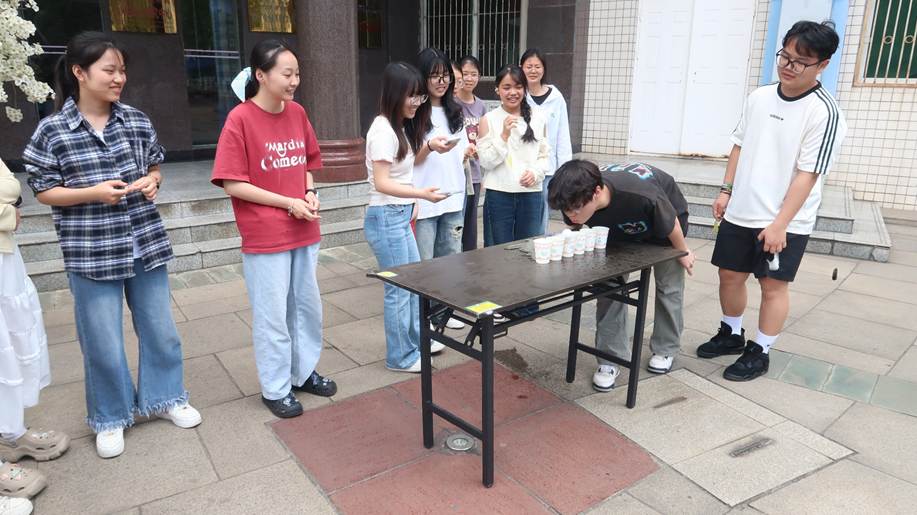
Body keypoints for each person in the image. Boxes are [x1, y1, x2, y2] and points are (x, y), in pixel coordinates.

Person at [23, 32, 201, 459]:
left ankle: (166, 397)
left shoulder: (136, 120)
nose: (119, 78)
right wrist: (94, 192)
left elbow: (155, 165)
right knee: (101, 341)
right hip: (91, 249)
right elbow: (44, 190)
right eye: (109, 70)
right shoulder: (53, 130)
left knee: (160, 329)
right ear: (79, 72)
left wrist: (152, 181)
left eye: (122, 70)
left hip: (144, 241)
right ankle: (111, 416)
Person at [697, 20, 847, 381]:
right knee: (729, 275)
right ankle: (731, 333)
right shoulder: (759, 97)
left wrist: (780, 224)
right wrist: (726, 190)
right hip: (741, 209)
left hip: (784, 220)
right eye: (785, 56)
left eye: (800, 61)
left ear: (823, 65)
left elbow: (808, 174)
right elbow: (739, 145)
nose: (788, 66)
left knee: (772, 286)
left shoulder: (825, 112)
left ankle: (760, 351)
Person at [212, 40, 337, 418]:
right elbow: (233, 183)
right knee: (273, 314)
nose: (294, 80)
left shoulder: (297, 113)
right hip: (266, 235)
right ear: (261, 76)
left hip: (304, 228)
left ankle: (303, 372)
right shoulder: (240, 119)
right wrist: (287, 202)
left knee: (306, 308)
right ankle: (276, 387)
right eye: (287, 74)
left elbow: (308, 163)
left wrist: (310, 193)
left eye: (297, 73)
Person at [549, 160, 694, 391]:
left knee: (669, 285)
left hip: (664, 228)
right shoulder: (574, 199)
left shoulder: (641, 194)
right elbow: (574, 225)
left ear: (597, 192)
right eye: (566, 211)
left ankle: (665, 348)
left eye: (576, 210)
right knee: (609, 289)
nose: (571, 215)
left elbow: (672, 224)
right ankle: (610, 358)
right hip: (617, 230)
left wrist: (683, 252)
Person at [364, 62, 448, 373]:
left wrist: (413, 198)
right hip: (386, 216)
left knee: (412, 284)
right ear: (395, 93)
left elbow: (401, 172)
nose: (416, 102)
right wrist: (420, 194)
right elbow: (382, 183)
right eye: (411, 96)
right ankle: (401, 356)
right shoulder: (383, 131)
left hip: (396, 215)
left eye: (420, 96)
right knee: (399, 289)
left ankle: (414, 343)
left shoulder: (397, 126)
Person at [0, 158, 68, 506]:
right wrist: (6, 213)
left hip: (4, 249)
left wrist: (9, 209)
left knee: (10, 339)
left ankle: (9, 433)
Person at [477, 64, 551, 247]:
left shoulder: (539, 117)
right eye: (506, 87)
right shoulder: (488, 119)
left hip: (531, 193)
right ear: (497, 89)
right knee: (497, 252)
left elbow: (544, 156)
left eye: (518, 87)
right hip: (499, 194)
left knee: (527, 249)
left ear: (525, 89)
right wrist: (503, 136)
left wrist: (535, 173)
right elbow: (486, 162)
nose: (513, 92)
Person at [521, 48, 572, 234]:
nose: (533, 71)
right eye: (529, 66)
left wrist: (565, 169)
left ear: (544, 69)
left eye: (537, 66)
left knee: (542, 214)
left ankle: (538, 243)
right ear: (521, 67)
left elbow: (562, 135)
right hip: (523, 167)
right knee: (524, 212)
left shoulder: (556, 98)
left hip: (548, 168)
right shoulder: (518, 95)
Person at [456, 55, 488, 251]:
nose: (469, 78)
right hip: (456, 170)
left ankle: (469, 258)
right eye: (465, 74)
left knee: (470, 220)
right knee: (455, 220)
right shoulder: (451, 102)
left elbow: (484, 139)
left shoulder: (481, 105)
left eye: (473, 74)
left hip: (474, 172)